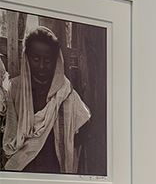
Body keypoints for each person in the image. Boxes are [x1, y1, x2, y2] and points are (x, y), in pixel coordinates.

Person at [2, 25, 92, 173]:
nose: (42, 66)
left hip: (54, 171)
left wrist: (64, 142)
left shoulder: (65, 93)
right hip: (22, 171)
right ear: (27, 57)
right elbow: (9, 134)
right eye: (36, 59)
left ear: (56, 61)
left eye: (48, 60)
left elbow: (86, 130)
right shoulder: (15, 89)